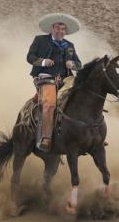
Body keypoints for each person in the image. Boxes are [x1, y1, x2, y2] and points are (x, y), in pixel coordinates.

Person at [27, 13, 82, 152]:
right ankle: (45, 138)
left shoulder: (69, 45)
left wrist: (73, 64)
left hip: (66, 80)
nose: (60, 31)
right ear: (52, 29)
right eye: (57, 28)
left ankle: (86, 135)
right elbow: (30, 57)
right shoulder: (40, 40)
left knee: (84, 98)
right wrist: (44, 62)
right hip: (45, 78)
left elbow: (79, 64)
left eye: (63, 29)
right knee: (50, 104)